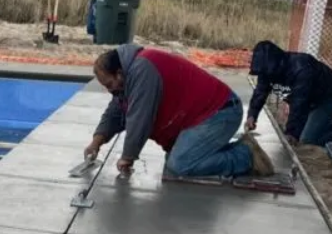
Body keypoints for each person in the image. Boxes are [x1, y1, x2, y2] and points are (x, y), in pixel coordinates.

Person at [84, 44, 274, 179]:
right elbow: (116, 111)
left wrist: (128, 157)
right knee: (180, 160)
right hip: (205, 115)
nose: (110, 91)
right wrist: (96, 143)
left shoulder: (142, 70)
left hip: (219, 113)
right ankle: (228, 150)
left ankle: (246, 155)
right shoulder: (128, 77)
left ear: (119, 72)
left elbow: (139, 119)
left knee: (181, 165)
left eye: (109, 85)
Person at [245, 40, 332, 146]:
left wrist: (291, 133)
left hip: (329, 97)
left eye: (267, 73)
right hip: (309, 100)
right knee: (303, 131)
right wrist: (252, 115)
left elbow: (299, 103)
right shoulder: (266, 70)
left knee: (306, 141)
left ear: (277, 64)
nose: (265, 77)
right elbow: (260, 92)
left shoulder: (301, 69)